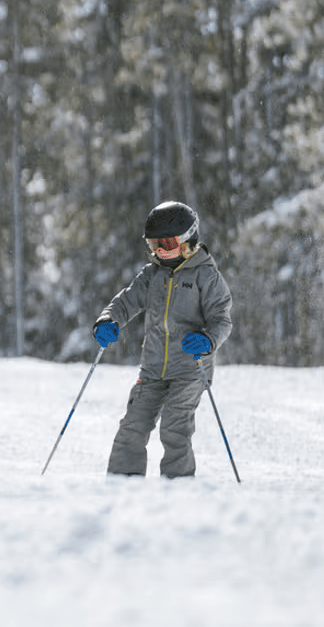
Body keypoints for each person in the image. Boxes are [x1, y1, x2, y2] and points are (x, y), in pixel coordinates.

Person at [92, 200, 234, 478]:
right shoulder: (151, 275)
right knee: (132, 426)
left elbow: (222, 319)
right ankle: (122, 485)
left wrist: (207, 340)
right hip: (153, 368)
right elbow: (124, 303)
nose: (159, 251)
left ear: (187, 240)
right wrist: (107, 320)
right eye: (154, 244)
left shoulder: (206, 275)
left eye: (166, 244)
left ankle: (178, 487)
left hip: (191, 369)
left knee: (175, 427)